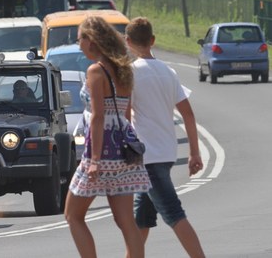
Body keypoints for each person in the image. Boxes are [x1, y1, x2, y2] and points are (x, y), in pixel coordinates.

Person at [64, 16, 151, 258]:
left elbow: (98, 117)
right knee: (126, 222)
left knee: (73, 215)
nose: (79, 44)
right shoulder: (124, 69)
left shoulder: (96, 71)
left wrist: (93, 159)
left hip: (101, 152)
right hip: (124, 152)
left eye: (80, 38)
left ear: (91, 40)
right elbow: (126, 113)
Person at [125, 17, 205, 258]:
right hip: (166, 154)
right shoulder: (168, 72)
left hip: (147, 156)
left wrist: (123, 153)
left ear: (127, 42)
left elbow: (126, 116)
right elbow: (188, 115)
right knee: (143, 217)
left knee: (173, 213)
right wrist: (194, 152)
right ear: (153, 41)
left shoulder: (130, 73)